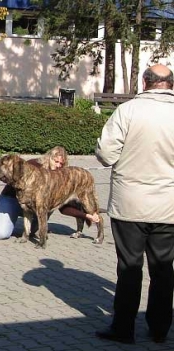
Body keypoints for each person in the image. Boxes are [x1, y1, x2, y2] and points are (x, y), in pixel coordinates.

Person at [95, 64, 174, 345]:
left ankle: (123, 328)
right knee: (164, 269)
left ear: (145, 82)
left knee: (129, 267)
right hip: (169, 206)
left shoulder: (127, 111)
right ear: (170, 84)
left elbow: (105, 154)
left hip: (130, 204)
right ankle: (160, 329)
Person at [0, 146, 100, 239]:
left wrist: (86, 215)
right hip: (11, 199)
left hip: (32, 205)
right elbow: (12, 175)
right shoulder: (32, 165)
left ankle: (33, 228)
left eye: (61, 164)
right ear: (49, 158)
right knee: (0, 233)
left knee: (34, 227)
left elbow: (63, 206)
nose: (58, 165)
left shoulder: (58, 176)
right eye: (56, 161)